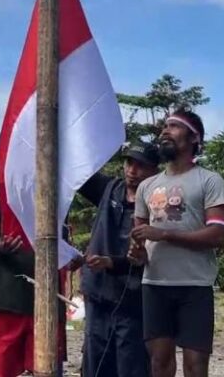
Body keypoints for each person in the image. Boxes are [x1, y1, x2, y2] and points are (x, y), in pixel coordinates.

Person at [129, 108, 224, 377]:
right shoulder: (146, 186)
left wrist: (163, 234)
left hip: (195, 286)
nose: (165, 131)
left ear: (194, 138)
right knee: (159, 364)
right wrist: (137, 253)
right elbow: (140, 240)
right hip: (154, 285)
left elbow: (219, 235)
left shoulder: (210, 181)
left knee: (195, 366)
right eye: (164, 126)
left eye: (174, 126)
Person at [0, 181, 74, 377]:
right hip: (5, 296)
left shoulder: (58, 193)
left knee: (48, 368)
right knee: (0, 369)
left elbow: (62, 242)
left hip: (49, 298)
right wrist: (0, 245)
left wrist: (72, 257)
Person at [77, 141, 160, 377]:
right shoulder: (108, 189)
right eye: (128, 162)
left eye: (140, 166)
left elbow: (151, 255)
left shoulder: (159, 207)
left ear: (155, 171)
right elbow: (77, 172)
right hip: (98, 296)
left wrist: (112, 262)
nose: (132, 171)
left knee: (131, 365)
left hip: (135, 301)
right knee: (96, 363)